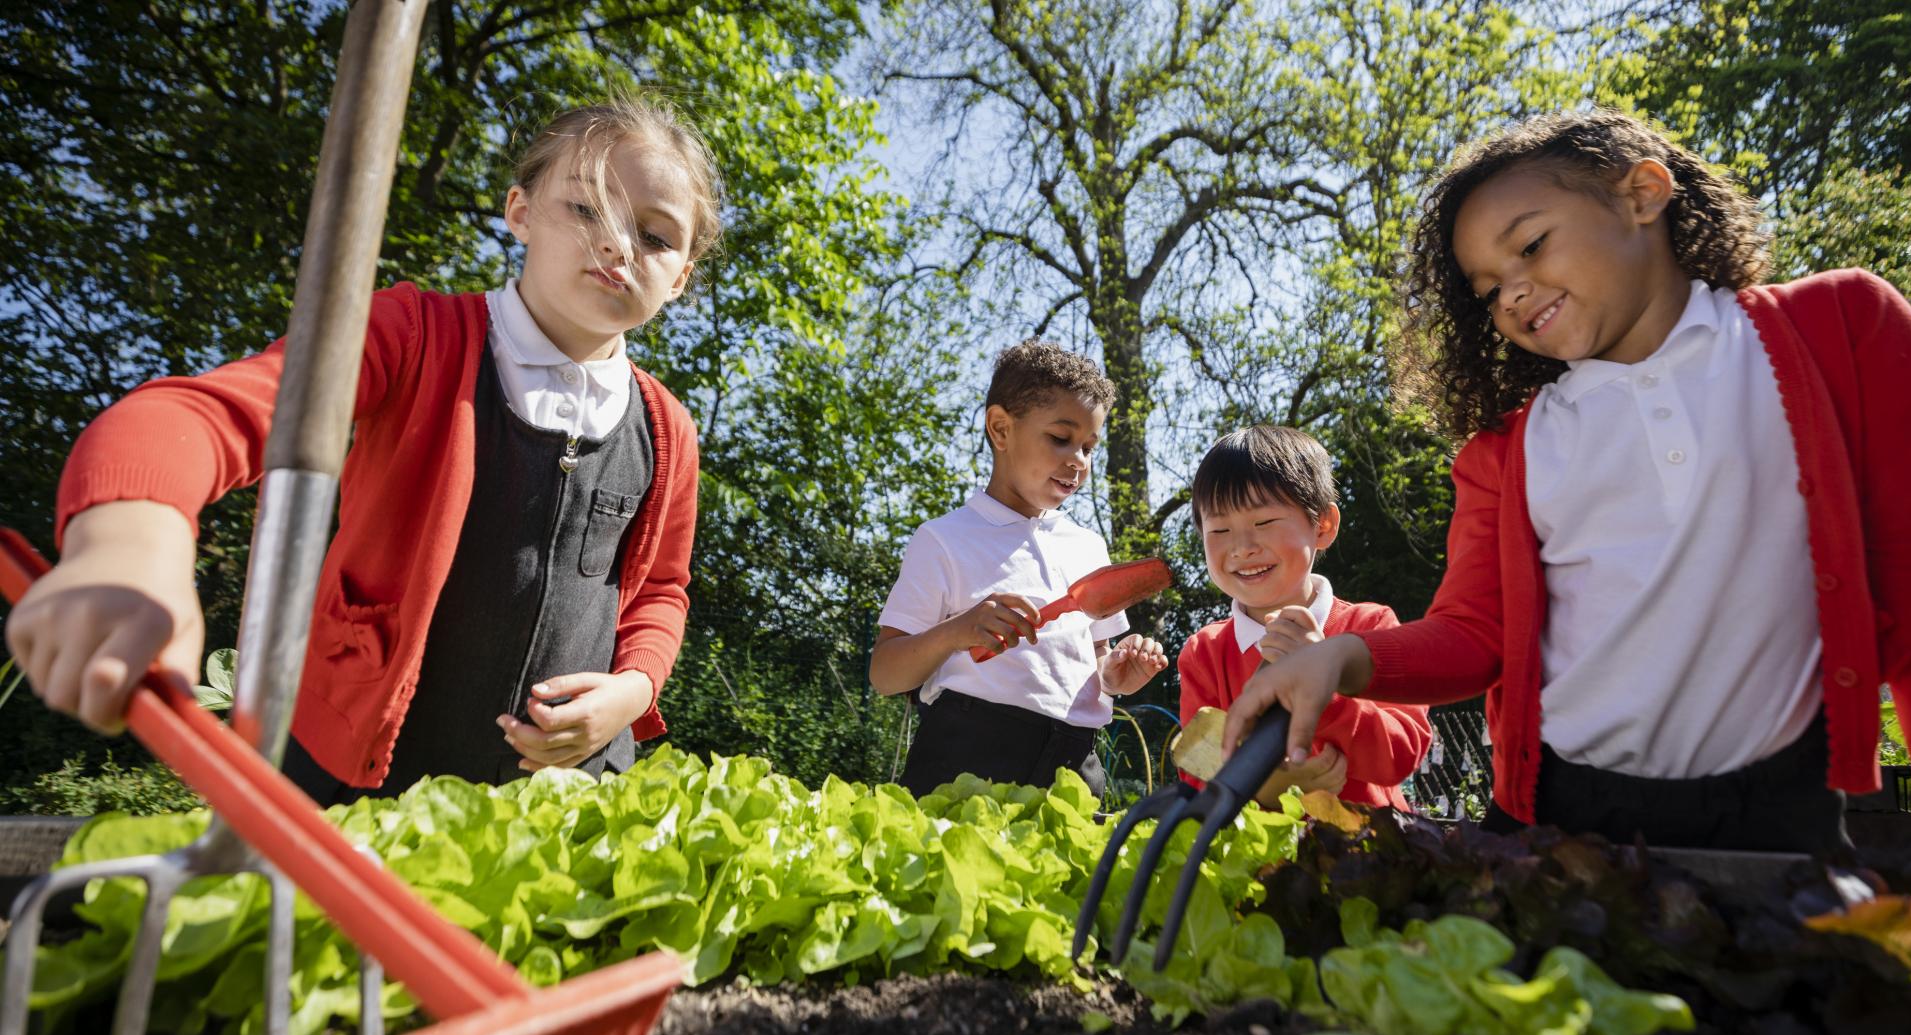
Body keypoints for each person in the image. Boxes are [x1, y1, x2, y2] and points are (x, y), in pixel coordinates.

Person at [1222, 110, 1911, 854]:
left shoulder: (1844, 328)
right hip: (1560, 812)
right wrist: (1343, 660)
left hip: (1780, 805)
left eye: (1530, 246)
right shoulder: (1506, 450)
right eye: (1489, 289)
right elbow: (1474, 635)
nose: (1514, 293)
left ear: (1643, 194)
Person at [5, 96, 719, 804]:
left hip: (563, 800)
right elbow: (192, 416)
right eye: (588, 208)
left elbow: (659, 590)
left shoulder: (667, 429)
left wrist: (632, 690)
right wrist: (129, 544)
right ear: (521, 211)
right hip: (356, 779)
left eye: (656, 237)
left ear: (682, 275)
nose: (618, 246)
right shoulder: (413, 334)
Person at [869, 340, 1168, 797]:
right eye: (1060, 438)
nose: (1078, 461)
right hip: (966, 758)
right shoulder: (944, 539)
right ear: (1001, 429)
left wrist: (1115, 678)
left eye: (1089, 446)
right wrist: (957, 631)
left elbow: (1097, 666)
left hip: (1074, 765)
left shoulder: (1088, 546)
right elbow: (885, 673)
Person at [1178, 426, 1430, 809]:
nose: (1243, 547)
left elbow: (1401, 753)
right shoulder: (1205, 653)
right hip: (1256, 865)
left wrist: (1323, 692)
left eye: (1264, 523)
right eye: (1220, 529)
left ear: (1323, 526)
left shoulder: (1370, 627)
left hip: (1369, 857)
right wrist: (1271, 788)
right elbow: (1198, 775)